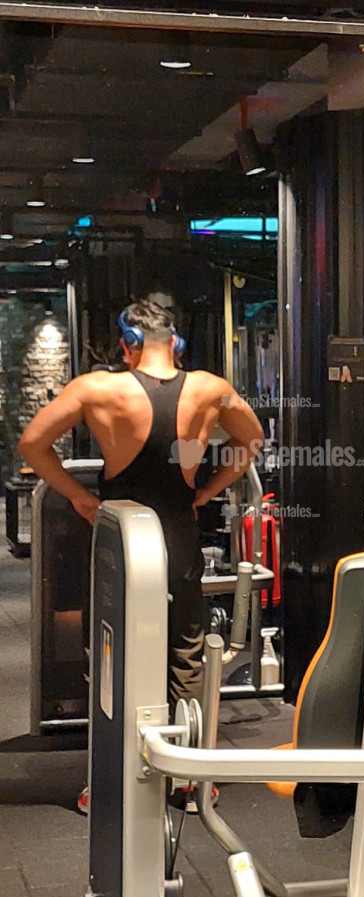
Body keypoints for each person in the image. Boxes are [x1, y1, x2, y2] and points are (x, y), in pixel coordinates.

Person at [18, 298, 264, 808]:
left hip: (121, 535)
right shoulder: (210, 388)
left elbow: (33, 445)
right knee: (185, 653)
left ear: (127, 345)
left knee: (111, 654)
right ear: (175, 343)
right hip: (177, 533)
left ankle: (109, 783)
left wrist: (80, 497)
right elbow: (252, 440)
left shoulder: (97, 388)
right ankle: (190, 779)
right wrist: (206, 490)